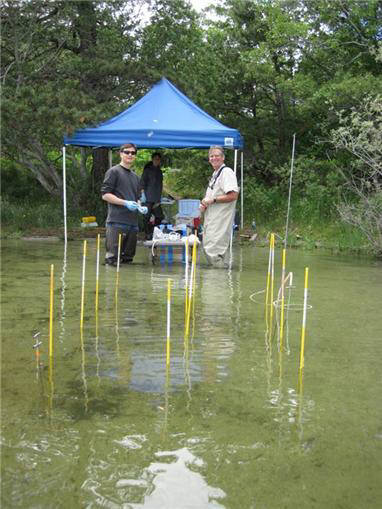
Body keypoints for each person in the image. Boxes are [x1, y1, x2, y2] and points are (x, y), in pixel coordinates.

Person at [101, 143, 143, 266]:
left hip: (133, 225)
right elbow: (105, 195)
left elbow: (137, 198)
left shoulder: (135, 177)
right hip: (116, 222)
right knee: (112, 260)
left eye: (133, 153)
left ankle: (126, 286)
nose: (130, 155)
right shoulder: (113, 171)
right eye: (127, 152)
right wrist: (125, 203)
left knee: (128, 260)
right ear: (121, 154)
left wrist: (140, 206)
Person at [199, 146, 239, 268]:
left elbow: (233, 195)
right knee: (209, 249)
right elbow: (212, 196)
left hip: (220, 221)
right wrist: (204, 204)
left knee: (215, 252)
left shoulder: (226, 172)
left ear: (223, 158)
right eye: (212, 156)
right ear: (209, 159)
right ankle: (215, 282)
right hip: (211, 220)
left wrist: (213, 200)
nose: (214, 158)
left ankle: (218, 283)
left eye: (217, 155)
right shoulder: (216, 174)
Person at [140, 152, 164, 240]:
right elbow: (142, 183)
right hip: (147, 198)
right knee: (146, 217)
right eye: (156, 159)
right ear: (153, 159)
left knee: (160, 217)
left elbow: (160, 185)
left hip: (156, 198)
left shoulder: (160, 171)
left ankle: (154, 232)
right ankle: (147, 234)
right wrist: (142, 195)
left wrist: (159, 199)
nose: (157, 161)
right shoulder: (147, 170)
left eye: (159, 159)